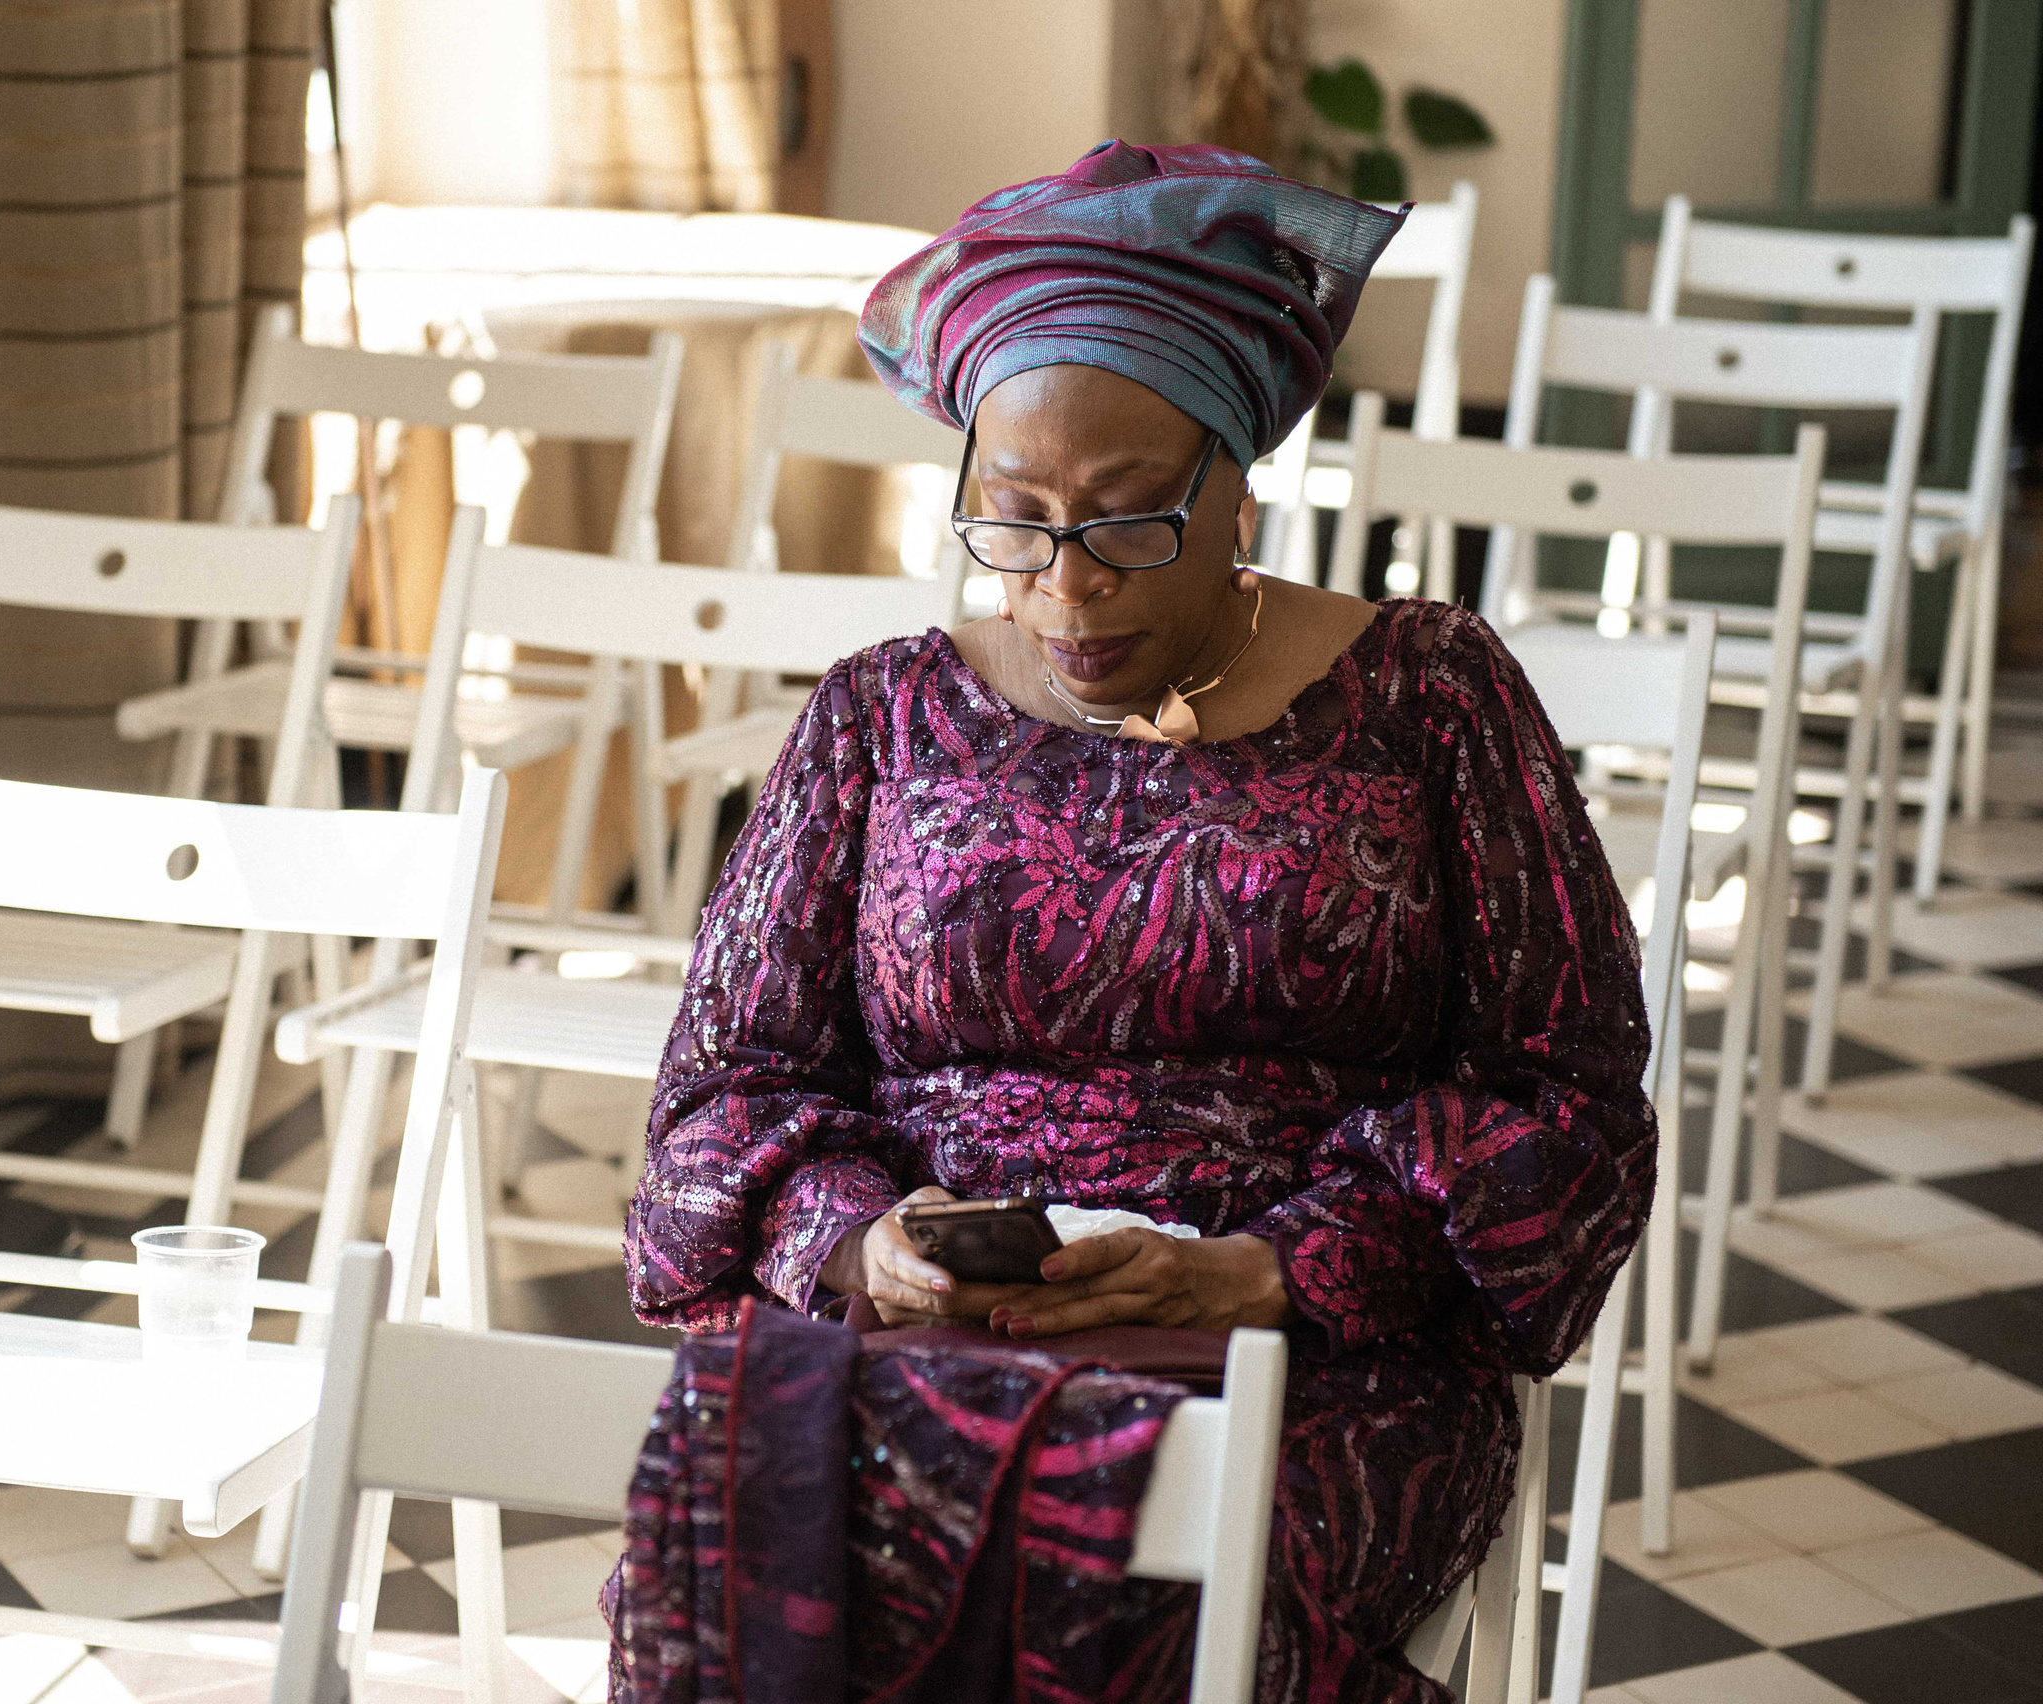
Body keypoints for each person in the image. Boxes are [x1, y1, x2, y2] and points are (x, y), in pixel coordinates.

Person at [613, 141, 1655, 1704]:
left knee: (1147, 1578)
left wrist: (1280, 1269)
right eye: (1014, 520)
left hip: (1316, 1352)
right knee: (731, 1536)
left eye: (1127, 521)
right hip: (931, 1330)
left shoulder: (1431, 694)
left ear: (1241, 479)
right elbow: (726, 1090)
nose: (1067, 589)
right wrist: (867, 1244)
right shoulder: (883, 714)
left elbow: (1567, 1091)